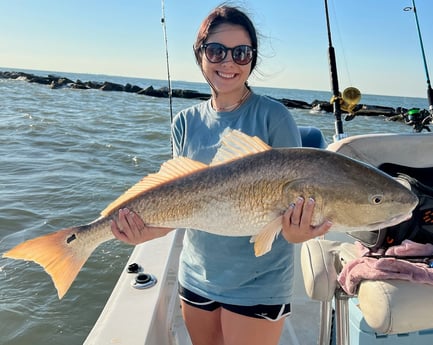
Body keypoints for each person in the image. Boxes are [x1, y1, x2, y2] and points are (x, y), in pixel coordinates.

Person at [111, 5, 332, 345]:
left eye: (241, 53)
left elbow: (291, 223)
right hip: (196, 277)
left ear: (252, 59)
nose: (228, 62)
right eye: (216, 50)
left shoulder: (275, 118)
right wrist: (142, 232)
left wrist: (300, 233)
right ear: (200, 55)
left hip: (259, 283)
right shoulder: (184, 123)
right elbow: (180, 208)